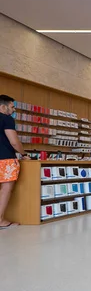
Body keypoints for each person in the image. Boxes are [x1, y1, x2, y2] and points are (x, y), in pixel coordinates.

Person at [0, 95, 29, 229]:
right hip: (5, 159)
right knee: (6, 189)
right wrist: (23, 154)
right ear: (3, 107)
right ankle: (0, 220)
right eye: (12, 107)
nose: (13, 110)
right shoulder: (7, 119)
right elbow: (14, 141)